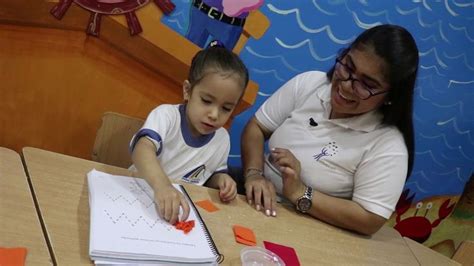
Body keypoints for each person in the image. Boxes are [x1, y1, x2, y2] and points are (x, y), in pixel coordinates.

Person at [241, 24, 418, 235]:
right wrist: (254, 175)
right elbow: (257, 127)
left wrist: (300, 192)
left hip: (308, 231)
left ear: (390, 97)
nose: (345, 85)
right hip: (253, 204)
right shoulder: (310, 84)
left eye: (366, 85)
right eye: (348, 67)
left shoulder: (387, 144)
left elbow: (370, 219)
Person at [130, 42, 249, 225]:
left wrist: (221, 180)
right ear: (187, 90)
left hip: (178, 211)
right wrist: (162, 185)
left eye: (226, 108)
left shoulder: (222, 139)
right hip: (137, 194)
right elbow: (141, 148)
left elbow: (208, 175)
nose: (214, 115)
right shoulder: (167, 116)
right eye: (206, 101)